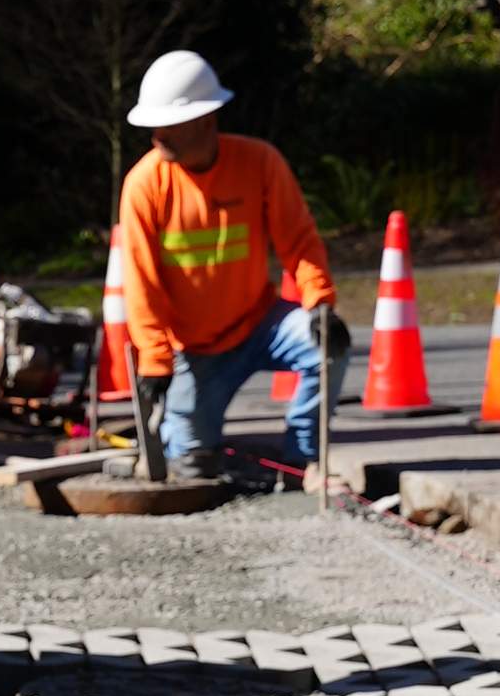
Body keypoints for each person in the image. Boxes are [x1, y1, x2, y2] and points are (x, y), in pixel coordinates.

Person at [118, 48, 347, 476]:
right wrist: (155, 359)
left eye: (168, 124)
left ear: (206, 120)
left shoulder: (259, 162)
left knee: (328, 346)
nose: (157, 135)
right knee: (191, 462)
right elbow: (141, 282)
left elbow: (298, 238)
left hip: (261, 324)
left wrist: (320, 304)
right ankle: (189, 443)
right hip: (195, 350)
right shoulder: (145, 185)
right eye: (154, 124)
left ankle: (302, 457)